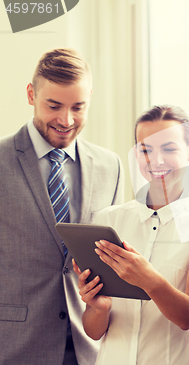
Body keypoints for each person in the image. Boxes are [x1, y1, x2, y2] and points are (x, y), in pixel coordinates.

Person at [74, 105, 189, 365]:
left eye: (168, 149)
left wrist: (147, 279)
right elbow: (94, 331)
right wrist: (97, 307)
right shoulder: (108, 221)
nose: (156, 160)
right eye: (145, 149)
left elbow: (188, 316)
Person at [0, 48, 124, 365]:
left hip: (89, 347)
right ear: (31, 94)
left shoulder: (110, 167)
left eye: (78, 107)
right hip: (14, 345)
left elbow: (114, 258)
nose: (66, 120)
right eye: (53, 106)